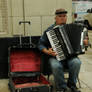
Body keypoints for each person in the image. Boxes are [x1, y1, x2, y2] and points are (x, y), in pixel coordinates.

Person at [38, 8, 81, 92]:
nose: (62, 18)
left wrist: (84, 42)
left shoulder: (72, 27)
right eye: (60, 16)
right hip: (55, 57)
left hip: (70, 57)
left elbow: (80, 42)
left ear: (66, 17)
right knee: (55, 66)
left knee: (77, 62)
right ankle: (61, 88)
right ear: (55, 18)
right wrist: (47, 51)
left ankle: (72, 85)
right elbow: (40, 44)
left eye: (64, 16)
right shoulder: (50, 30)